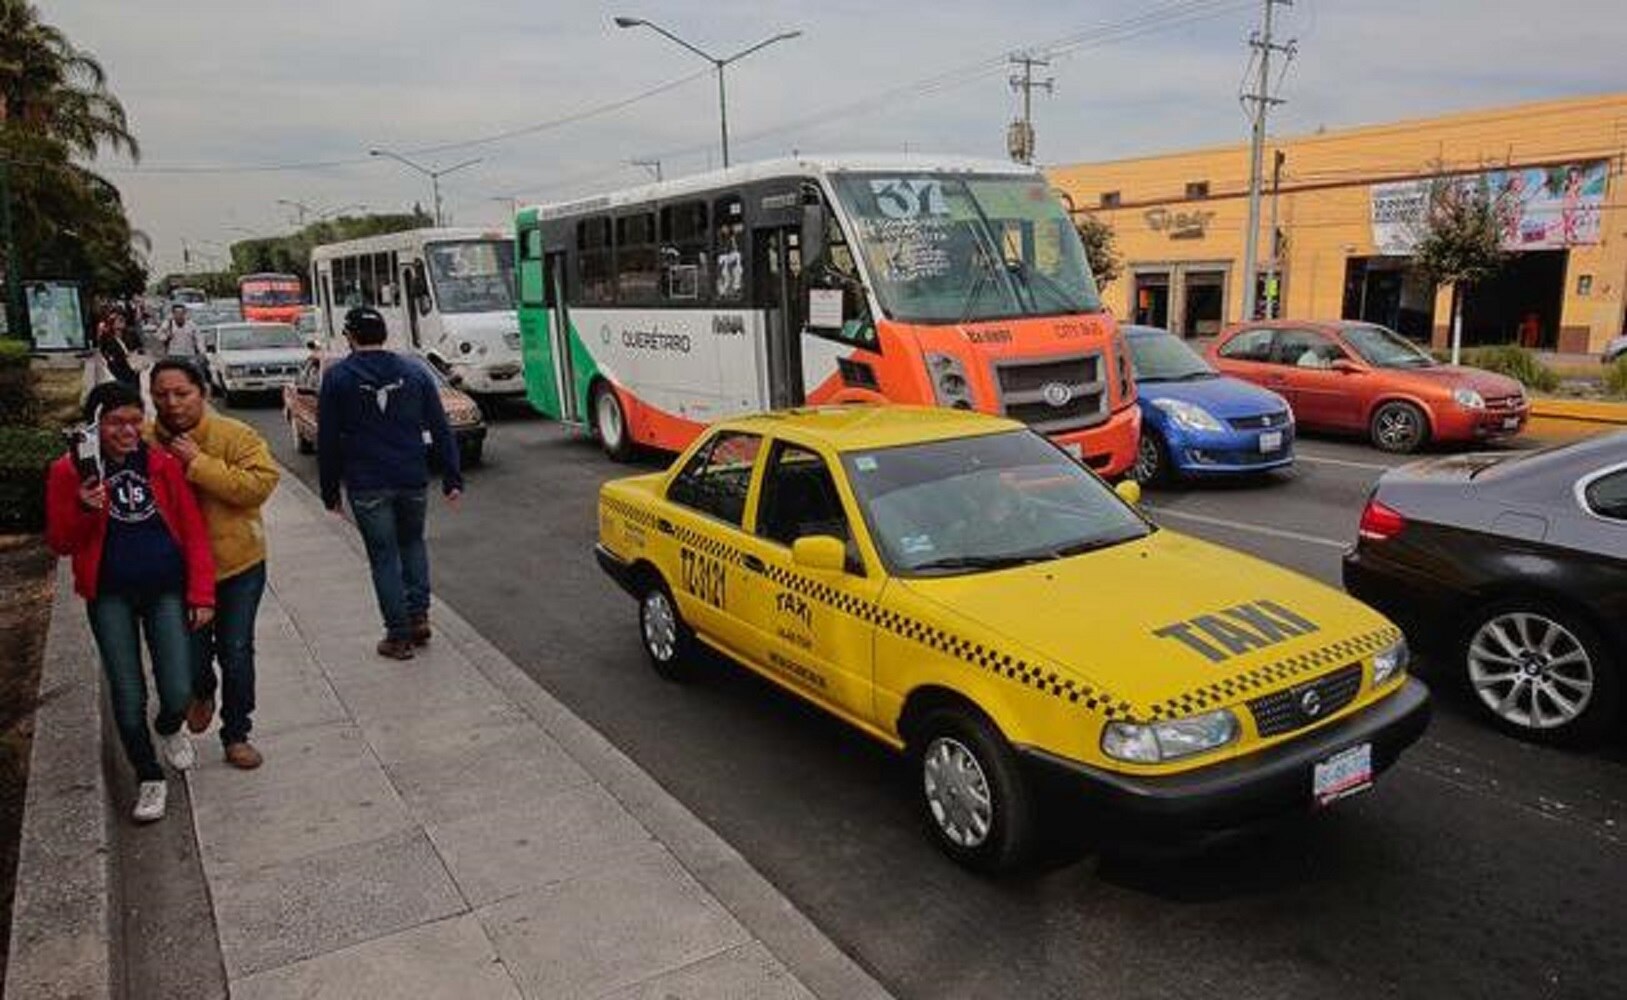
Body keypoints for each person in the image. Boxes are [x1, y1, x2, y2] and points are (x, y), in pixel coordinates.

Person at [45, 381, 215, 823]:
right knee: (127, 690)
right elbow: (61, 542)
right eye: (116, 422)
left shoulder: (160, 464)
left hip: (165, 588)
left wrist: (201, 593)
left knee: (178, 686)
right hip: (110, 595)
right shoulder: (69, 472)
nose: (127, 431)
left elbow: (193, 531)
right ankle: (148, 775)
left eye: (135, 421)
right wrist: (83, 507)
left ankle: (169, 724)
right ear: (95, 425)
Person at [149, 359, 280, 769]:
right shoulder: (146, 441)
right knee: (190, 657)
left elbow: (259, 485)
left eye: (181, 393)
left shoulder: (233, 434)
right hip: (178, 572)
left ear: (201, 393)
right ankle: (202, 690)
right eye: (161, 395)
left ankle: (237, 732)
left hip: (238, 565)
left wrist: (198, 464)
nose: (172, 403)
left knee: (236, 650)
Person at [318, 307, 462, 659]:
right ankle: (418, 617)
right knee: (413, 543)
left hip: (367, 482)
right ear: (384, 334)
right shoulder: (413, 371)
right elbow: (440, 426)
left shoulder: (338, 378)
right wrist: (451, 475)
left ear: (349, 336)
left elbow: (328, 440)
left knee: (383, 557)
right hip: (411, 476)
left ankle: (397, 636)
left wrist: (330, 489)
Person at [96, 309, 139, 387]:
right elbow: (110, 360)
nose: (122, 321)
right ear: (112, 323)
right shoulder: (107, 340)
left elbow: (138, 348)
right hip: (121, 374)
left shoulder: (130, 335)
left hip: (134, 371)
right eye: (119, 320)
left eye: (123, 319)